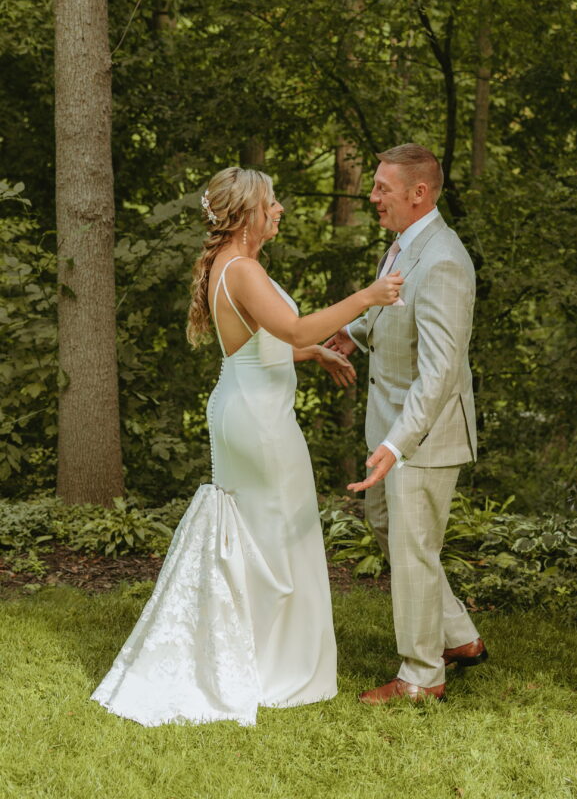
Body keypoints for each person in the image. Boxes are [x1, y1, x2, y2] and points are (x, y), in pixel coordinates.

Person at [91, 167, 403, 726]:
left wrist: (312, 354)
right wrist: (367, 296)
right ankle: (273, 667)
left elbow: (258, 344)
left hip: (246, 408)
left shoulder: (230, 265)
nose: (279, 209)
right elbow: (295, 329)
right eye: (271, 202)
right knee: (281, 534)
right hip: (259, 422)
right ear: (244, 215)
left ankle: (249, 652)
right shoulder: (243, 269)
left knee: (263, 533)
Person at [326, 144, 487, 705]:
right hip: (390, 428)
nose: (372, 196)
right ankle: (460, 637)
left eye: (382, 188)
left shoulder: (444, 260)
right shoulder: (403, 246)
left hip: (423, 434)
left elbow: (440, 372)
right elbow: (399, 315)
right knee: (390, 531)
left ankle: (421, 675)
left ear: (418, 193)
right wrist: (356, 332)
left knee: (413, 547)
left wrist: (397, 444)